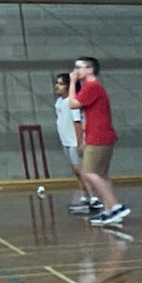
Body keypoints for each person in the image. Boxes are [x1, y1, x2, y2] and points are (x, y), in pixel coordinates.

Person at [70, 57, 130, 228]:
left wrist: (72, 82)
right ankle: (109, 210)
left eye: (79, 67)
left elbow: (73, 104)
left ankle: (116, 206)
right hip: (101, 135)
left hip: (99, 136)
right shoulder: (91, 88)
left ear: (90, 70)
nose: (76, 71)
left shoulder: (92, 87)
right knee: (101, 174)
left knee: (88, 173)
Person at [52, 71, 90, 212]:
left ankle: (92, 199)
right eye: (57, 83)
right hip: (66, 142)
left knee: (80, 171)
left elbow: (77, 123)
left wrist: (80, 142)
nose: (57, 86)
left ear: (69, 86)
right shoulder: (59, 102)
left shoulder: (72, 102)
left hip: (74, 142)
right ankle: (84, 198)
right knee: (76, 171)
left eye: (61, 84)